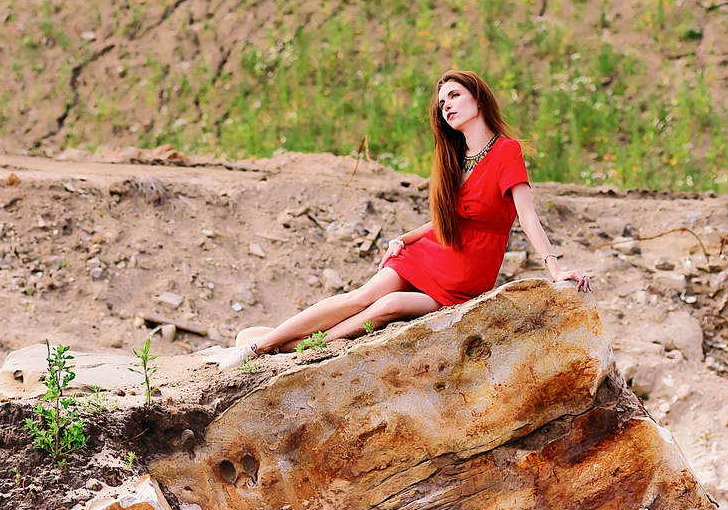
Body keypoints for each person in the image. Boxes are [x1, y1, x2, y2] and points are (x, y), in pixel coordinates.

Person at [242, 71, 589, 356]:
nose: (446, 107)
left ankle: (295, 345)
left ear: (478, 98)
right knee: (362, 297)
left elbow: (527, 216)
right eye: (441, 103)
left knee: (384, 308)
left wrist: (555, 269)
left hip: (463, 276)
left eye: (454, 96)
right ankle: (264, 344)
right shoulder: (455, 160)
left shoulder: (506, 151)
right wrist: (402, 239)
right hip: (429, 252)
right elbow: (445, 221)